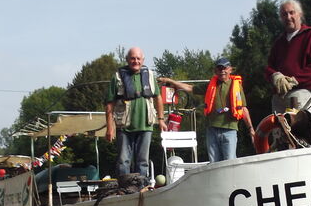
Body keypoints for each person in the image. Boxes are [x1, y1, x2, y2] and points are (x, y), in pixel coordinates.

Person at [163, 57, 254, 162]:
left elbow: (243, 108)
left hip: (230, 130)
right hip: (212, 130)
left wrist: (251, 129)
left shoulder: (236, 86)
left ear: (230, 70)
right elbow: (190, 88)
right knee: (214, 162)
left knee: (230, 161)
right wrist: (171, 81)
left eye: (225, 68)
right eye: (219, 68)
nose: (222, 71)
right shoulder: (210, 85)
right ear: (215, 71)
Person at [104, 47, 167, 178]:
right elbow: (109, 103)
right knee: (123, 161)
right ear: (127, 59)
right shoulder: (117, 77)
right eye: (132, 58)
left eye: (138, 58)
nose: (135, 61)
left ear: (143, 60)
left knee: (143, 161)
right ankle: (124, 189)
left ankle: (141, 187)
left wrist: (161, 119)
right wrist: (110, 127)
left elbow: (158, 97)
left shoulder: (149, 75)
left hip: (146, 125)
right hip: (124, 127)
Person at [264, 0, 311, 115]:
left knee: (297, 130)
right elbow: (269, 67)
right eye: (284, 14)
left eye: (291, 12)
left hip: (300, 93)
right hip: (279, 96)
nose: (288, 17)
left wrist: (294, 80)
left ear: (300, 14)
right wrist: (275, 76)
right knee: (278, 131)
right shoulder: (279, 42)